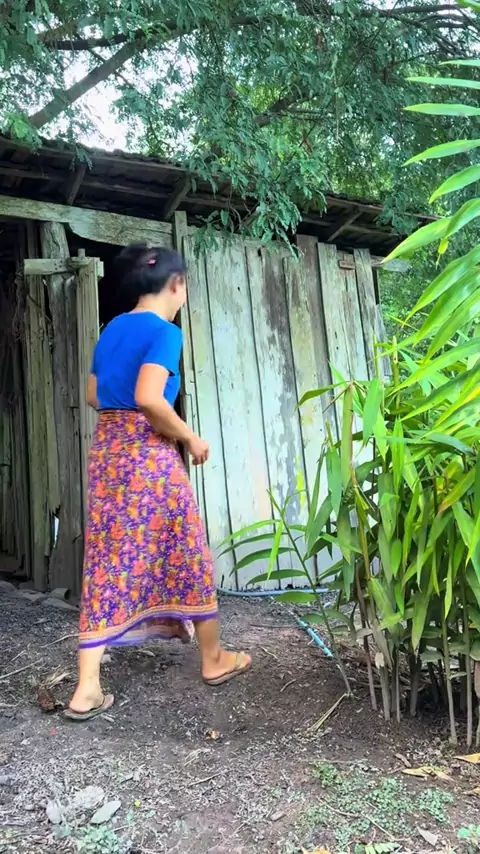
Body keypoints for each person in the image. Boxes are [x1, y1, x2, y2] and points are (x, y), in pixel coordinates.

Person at [66, 243, 251, 721]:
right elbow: (149, 397)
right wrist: (189, 437)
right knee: (187, 549)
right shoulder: (165, 333)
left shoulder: (113, 328)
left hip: (108, 455)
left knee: (107, 558)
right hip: (148, 457)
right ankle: (213, 659)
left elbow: (94, 394)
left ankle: (87, 687)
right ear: (176, 284)